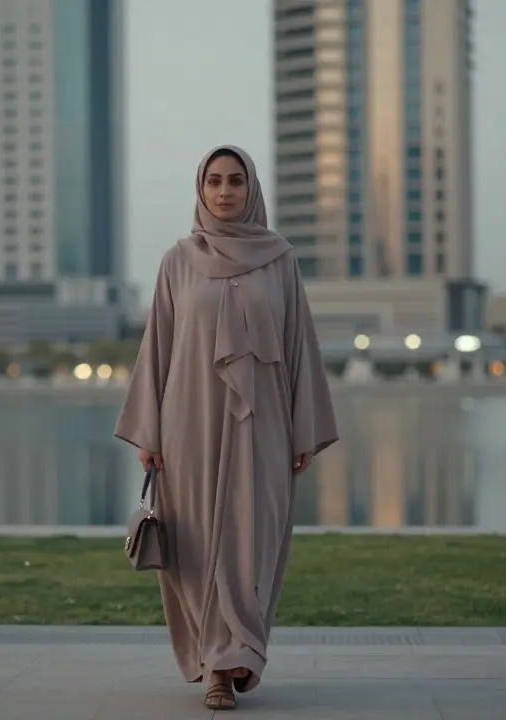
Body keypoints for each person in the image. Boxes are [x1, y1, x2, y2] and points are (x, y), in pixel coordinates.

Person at [114, 145, 338, 710]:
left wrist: (302, 428)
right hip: (188, 426)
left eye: (235, 181)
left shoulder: (280, 261)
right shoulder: (177, 261)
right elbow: (158, 348)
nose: (224, 191)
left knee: (251, 543)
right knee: (195, 546)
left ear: (251, 188)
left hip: (263, 427)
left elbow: (299, 345)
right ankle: (218, 663)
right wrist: (149, 432)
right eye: (213, 181)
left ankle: (241, 651)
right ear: (200, 189)